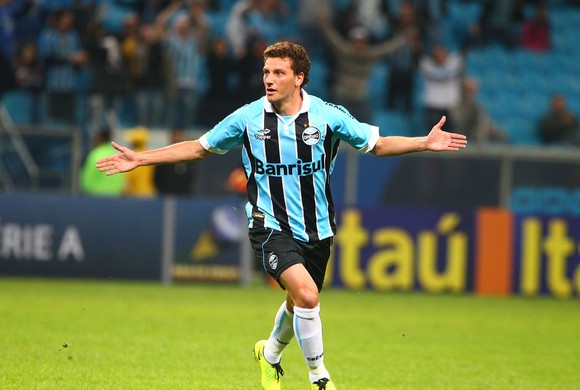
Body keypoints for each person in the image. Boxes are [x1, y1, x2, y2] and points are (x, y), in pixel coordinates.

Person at [96, 41, 467, 389]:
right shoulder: (247, 118)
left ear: (299, 78)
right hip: (268, 224)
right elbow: (198, 148)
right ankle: (319, 377)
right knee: (306, 295)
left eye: (278, 73)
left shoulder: (327, 116)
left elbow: (379, 144)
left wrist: (423, 141)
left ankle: (269, 352)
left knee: (296, 301)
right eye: (266, 72)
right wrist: (141, 158)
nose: (269, 80)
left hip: (318, 227)